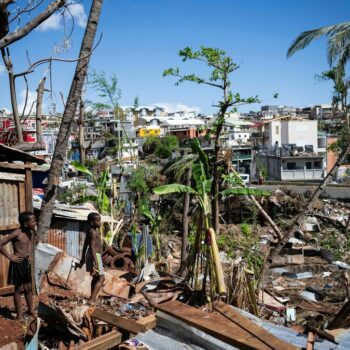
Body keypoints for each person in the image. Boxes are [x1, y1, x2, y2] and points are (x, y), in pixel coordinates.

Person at [0, 212, 36, 320]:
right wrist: (10, 257)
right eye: (33, 221)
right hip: (18, 263)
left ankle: (31, 311)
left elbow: (28, 244)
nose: (35, 222)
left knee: (28, 288)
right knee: (19, 289)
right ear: (25, 224)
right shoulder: (17, 233)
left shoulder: (31, 232)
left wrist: (29, 255)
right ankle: (19, 316)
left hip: (26, 263)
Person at [77, 212, 105, 301]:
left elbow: (85, 245)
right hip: (94, 256)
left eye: (100, 220)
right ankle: (92, 299)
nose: (100, 222)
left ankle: (92, 297)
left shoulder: (92, 230)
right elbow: (92, 247)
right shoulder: (93, 232)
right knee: (101, 278)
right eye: (98, 221)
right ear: (92, 222)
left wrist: (82, 259)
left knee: (95, 277)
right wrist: (96, 261)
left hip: (93, 256)